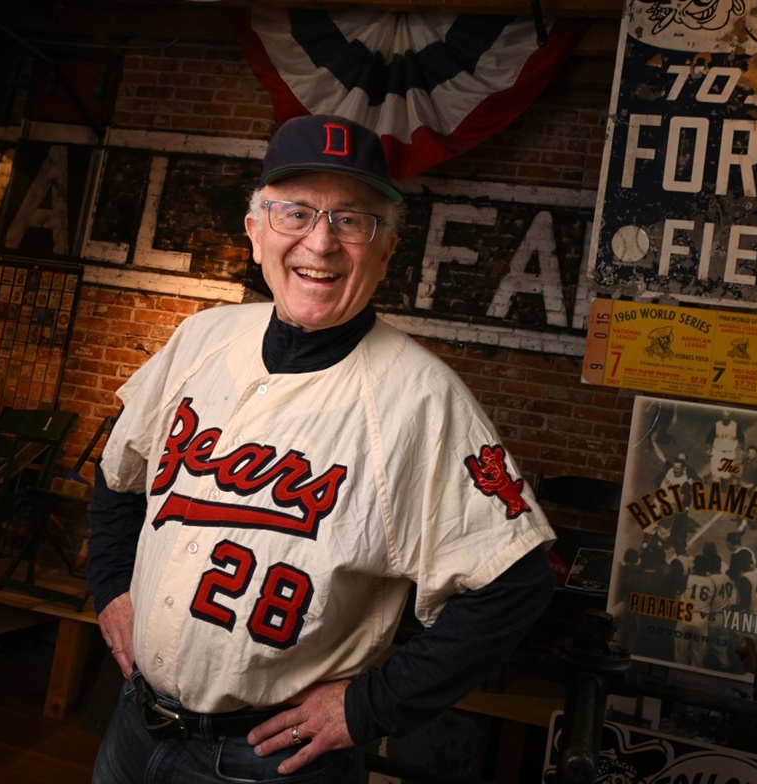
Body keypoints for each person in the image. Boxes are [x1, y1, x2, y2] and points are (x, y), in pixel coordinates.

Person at [86, 114, 556, 784]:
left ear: (386, 248)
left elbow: (516, 583)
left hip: (272, 761)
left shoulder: (423, 398)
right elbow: (118, 470)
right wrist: (110, 586)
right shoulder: (201, 339)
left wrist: (368, 708)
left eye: (351, 219)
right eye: (295, 212)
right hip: (136, 724)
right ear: (255, 233)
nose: (320, 241)